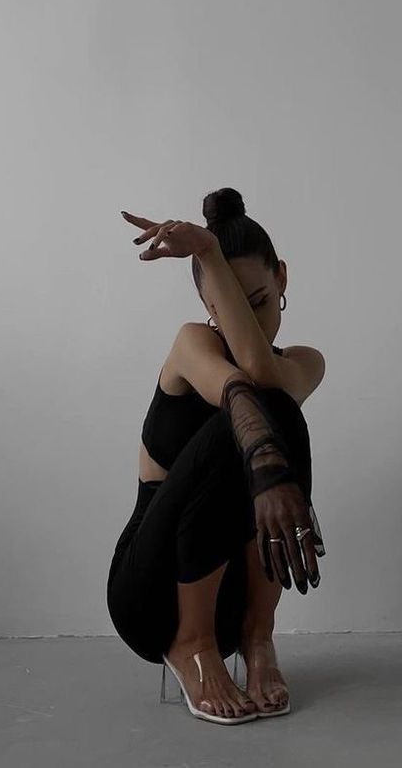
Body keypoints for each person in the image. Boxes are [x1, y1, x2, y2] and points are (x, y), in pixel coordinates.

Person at [108, 187, 326, 724]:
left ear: (282, 278)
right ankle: (190, 644)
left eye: (256, 301)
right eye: (226, 307)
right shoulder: (192, 346)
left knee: (280, 409)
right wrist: (272, 473)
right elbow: (241, 388)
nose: (247, 324)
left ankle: (258, 638)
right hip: (150, 591)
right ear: (209, 308)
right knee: (252, 410)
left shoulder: (306, 361)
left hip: (231, 593)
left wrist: (270, 467)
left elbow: (266, 375)